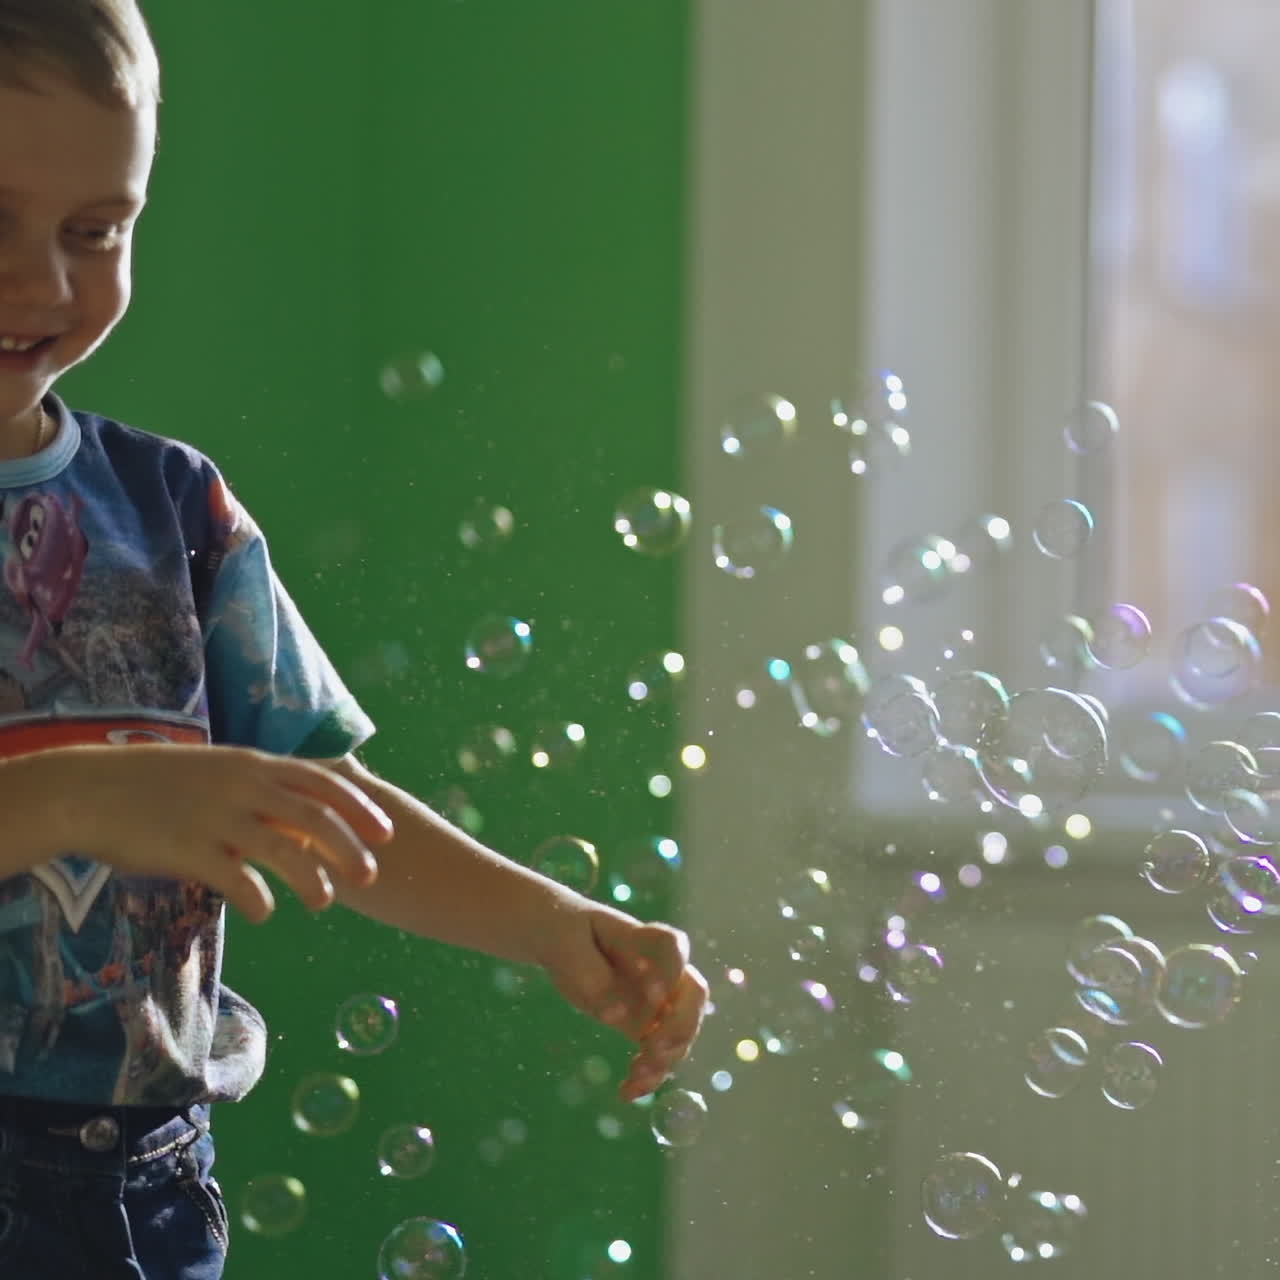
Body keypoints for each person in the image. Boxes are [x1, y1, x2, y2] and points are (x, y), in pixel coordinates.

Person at [0, 1, 709, 1275]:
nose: (43, 281)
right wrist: (77, 796)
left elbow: (323, 809)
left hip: (145, 1187)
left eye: (95, 230)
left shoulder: (172, 509)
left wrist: (551, 922)